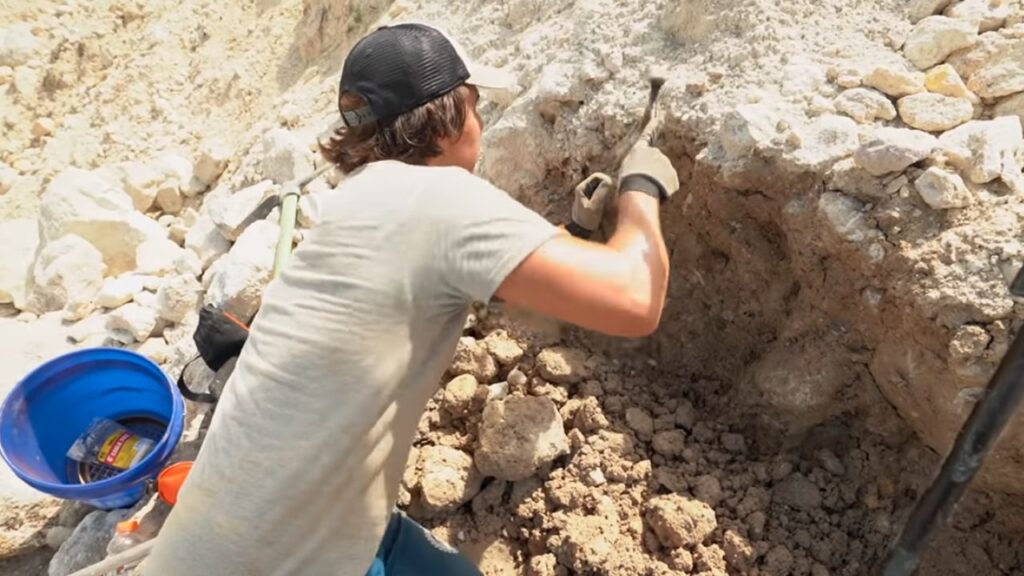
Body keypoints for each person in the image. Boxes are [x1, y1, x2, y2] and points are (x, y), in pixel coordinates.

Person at [140, 21, 679, 576]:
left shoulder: (359, 202)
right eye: (476, 108)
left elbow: (528, 302)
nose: (482, 125)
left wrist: (574, 232)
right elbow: (635, 299)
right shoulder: (439, 199)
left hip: (236, 532)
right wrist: (641, 191)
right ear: (446, 122)